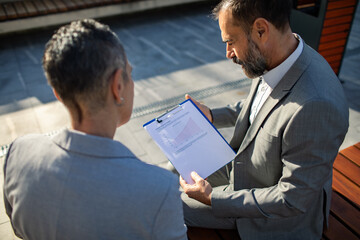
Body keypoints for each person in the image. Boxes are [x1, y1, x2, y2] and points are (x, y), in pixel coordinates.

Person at [179, 0, 349, 239]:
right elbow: (260, 108)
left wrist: (212, 197)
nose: (228, 53)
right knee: (173, 169)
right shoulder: (280, 57)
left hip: (268, 215)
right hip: (247, 170)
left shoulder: (315, 105)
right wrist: (212, 115)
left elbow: (292, 198)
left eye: (230, 42)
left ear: (261, 30)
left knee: (168, 204)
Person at [3, 19, 187, 240]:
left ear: (58, 93)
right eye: (130, 73)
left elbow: (19, 229)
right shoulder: (160, 190)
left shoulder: (18, 153)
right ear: (118, 86)